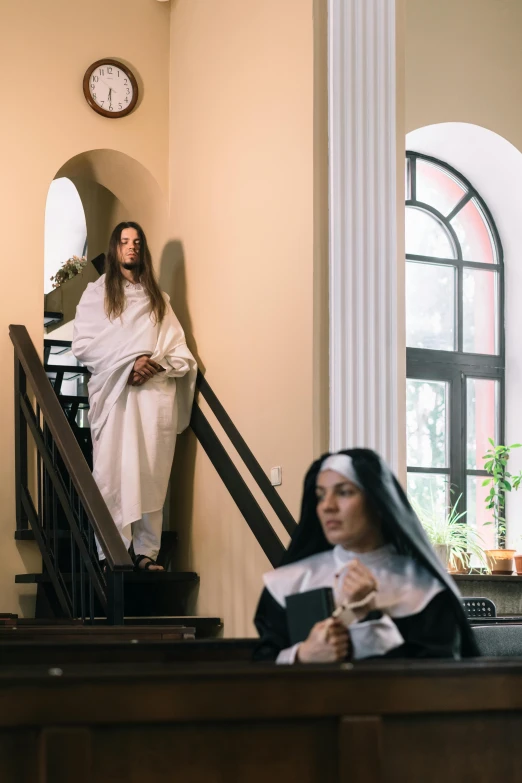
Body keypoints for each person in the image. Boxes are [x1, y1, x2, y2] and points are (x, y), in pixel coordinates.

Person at [254, 448, 478, 663]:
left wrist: (369, 618)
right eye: (321, 495)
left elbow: (440, 682)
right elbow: (260, 671)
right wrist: (302, 655)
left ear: (378, 501)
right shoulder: (289, 582)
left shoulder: (424, 589)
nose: (327, 506)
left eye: (343, 492)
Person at [72, 222, 197, 571]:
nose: (131, 248)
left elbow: (179, 351)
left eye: (137, 242)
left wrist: (152, 363)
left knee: (151, 472)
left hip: (153, 395)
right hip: (116, 394)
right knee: (113, 471)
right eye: (125, 242)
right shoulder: (96, 295)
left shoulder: (160, 300)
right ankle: (111, 551)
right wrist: (130, 362)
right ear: (114, 249)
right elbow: (83, 345)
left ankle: (146, 553)